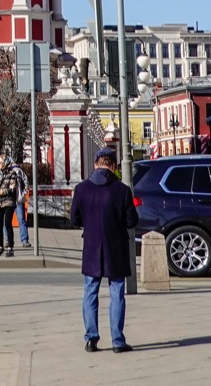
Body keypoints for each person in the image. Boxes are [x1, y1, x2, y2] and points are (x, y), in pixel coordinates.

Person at [69, 147, 139, 354]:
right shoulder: (122, 190)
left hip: (91, 246)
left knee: (90, 291)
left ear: (96, 164)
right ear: (114, 166)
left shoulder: (81, 189)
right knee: (117, 292)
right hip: (115, 247)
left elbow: (74, 219)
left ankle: (91, 339)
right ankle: (117, 341)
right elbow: (131, 221)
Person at [0, 154, 19, 257]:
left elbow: (12, 190)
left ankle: (10, 247)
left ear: (5, 163)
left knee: (7, 223)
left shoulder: (12, 174)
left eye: (0, 162)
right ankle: (0, 246)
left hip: (9, 202)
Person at [12, 158, 32, 249]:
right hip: (8, 199)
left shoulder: (18, 171)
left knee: (22, 220)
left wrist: (23, 193)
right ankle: (8, 241)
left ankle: (24, 240)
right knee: (6, 222)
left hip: (18, 199)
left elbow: (26, 182)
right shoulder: (2, 172)